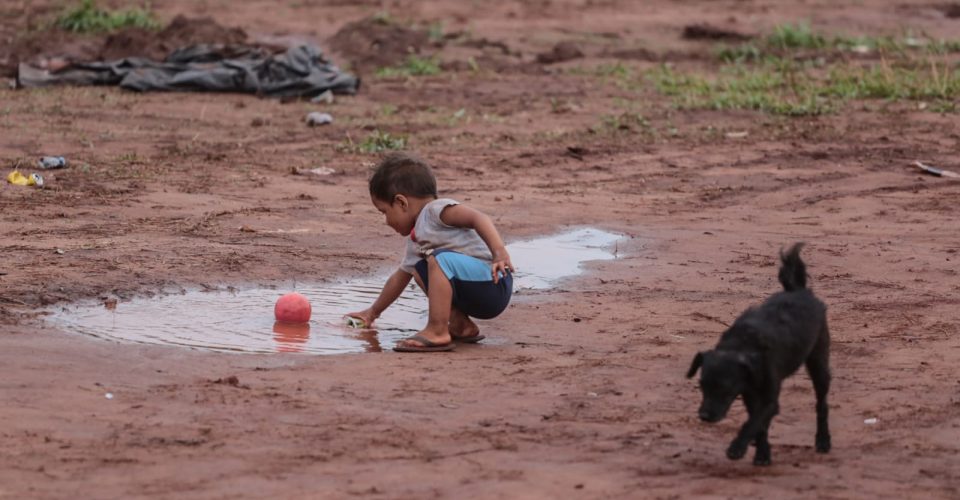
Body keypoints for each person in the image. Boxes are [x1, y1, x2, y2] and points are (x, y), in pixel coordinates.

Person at [346, 153, 514, 352]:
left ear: (401, 203)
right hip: (475, 288)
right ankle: (461, 325)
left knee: (437, 260)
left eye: (384, 212)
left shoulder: (437, 210)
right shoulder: (417, 238)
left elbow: (479, 218)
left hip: (493, 283)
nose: (386, 221)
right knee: (419, 268)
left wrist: (499, 252)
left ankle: (437, 330)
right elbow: (399, 278)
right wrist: (372, 312)